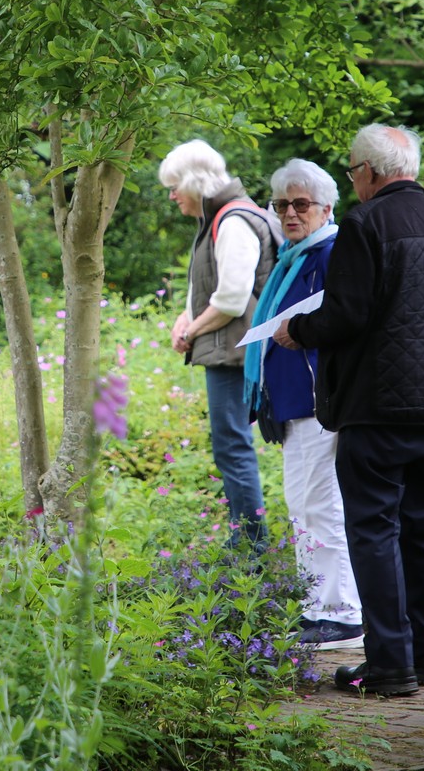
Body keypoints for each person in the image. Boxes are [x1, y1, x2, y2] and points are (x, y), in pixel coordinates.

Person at [273, 124, 424, 697]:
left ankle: (391, 665)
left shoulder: (365, 224)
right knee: (422, 531)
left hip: (374, 408)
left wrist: (298, 330)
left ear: (368, 172)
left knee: (374, 531)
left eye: (352, 172)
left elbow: (347, 314)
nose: (353, 182)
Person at [244, 159, 364, 650]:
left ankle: (341, 614)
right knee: (303, 506)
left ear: (326, 208)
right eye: (281, 205)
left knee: (320, 505)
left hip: (319, 403)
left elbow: (339, 322)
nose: (290, 214)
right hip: (292, 404)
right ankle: (317, 608)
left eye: (300, 204)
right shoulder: (292, 258)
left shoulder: (331, 254)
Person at [159, 139, 277, 551]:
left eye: (175, 187)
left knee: (232, 448)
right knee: (230, 446)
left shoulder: (232, 221)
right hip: (230, 349)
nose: (172, 196)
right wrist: (185, 318)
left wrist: (190, 332)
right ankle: (245, 542)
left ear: (196, 182)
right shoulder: (219, 219)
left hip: (235, 353)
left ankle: (250, 548)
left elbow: (230, 300)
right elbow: (209, 287)